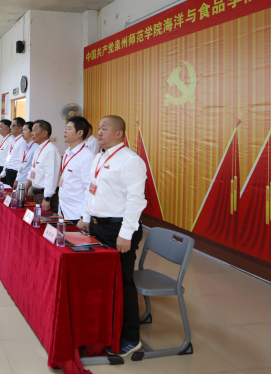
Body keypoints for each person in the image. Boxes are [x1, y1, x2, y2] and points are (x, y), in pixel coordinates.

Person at [78, 115, 147, 358]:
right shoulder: (100, 156)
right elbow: (91, 190)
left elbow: (136, 200)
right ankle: (107, 327)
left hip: (118, 230)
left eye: (104, 128)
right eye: (98, 128)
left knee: (123, 283)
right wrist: (86, 217)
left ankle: (131, 337)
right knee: (103, 281)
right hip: (98, 226)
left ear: (119, 133)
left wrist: (126, 234)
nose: (99, 132)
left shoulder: (130, 161)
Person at [56, 116, 95, 223]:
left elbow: (89, 188)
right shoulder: (67, 152)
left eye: (69, 128)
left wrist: (84, 217)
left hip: (77, 213)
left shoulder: (87, 156)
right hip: (63, 210)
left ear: (79, 133)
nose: (65, 131)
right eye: (66, 128)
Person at [24, 120, 61, 212]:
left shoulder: (50, 150)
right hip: (36, 192)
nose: (32, 133)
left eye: (34, 131)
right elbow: (33, 170)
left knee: (46, 219)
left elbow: (51, 176)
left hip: (45, 195)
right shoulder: (38, 148)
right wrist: (27, 187)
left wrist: (47, 198)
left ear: (44, 133)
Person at [0, 117, 25, 187]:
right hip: (8, 172)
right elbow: (8, 157)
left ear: (20, 128)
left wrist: (17, 178)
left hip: (15, 173)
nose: (10, 128)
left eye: (13, 126)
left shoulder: (22, 141)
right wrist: (3, 173)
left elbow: (21, 161)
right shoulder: (14, 140)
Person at [14, 121, 36, 189]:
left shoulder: (35, 148)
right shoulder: (26, 147)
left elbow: (34, 169)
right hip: (21, 181)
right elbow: (22, 164)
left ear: (32, 132)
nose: (22, 132)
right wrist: (17, 179)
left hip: (28, 185)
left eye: (25, 130)